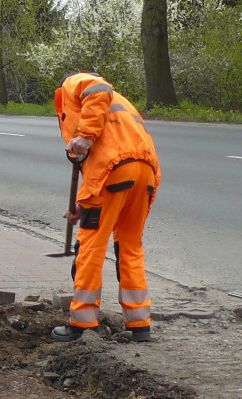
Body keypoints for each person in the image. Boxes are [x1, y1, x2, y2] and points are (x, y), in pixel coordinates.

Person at [51, 72, 161, 342]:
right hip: (143, 172)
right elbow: (102, 155)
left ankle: (82, 324)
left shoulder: (76, 84)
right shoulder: (118, 105)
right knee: (130, 245)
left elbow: (96, 87)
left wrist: (85, 135)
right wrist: (82, 204)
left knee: (91, 246)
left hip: (113, 172)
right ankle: (140, 326)